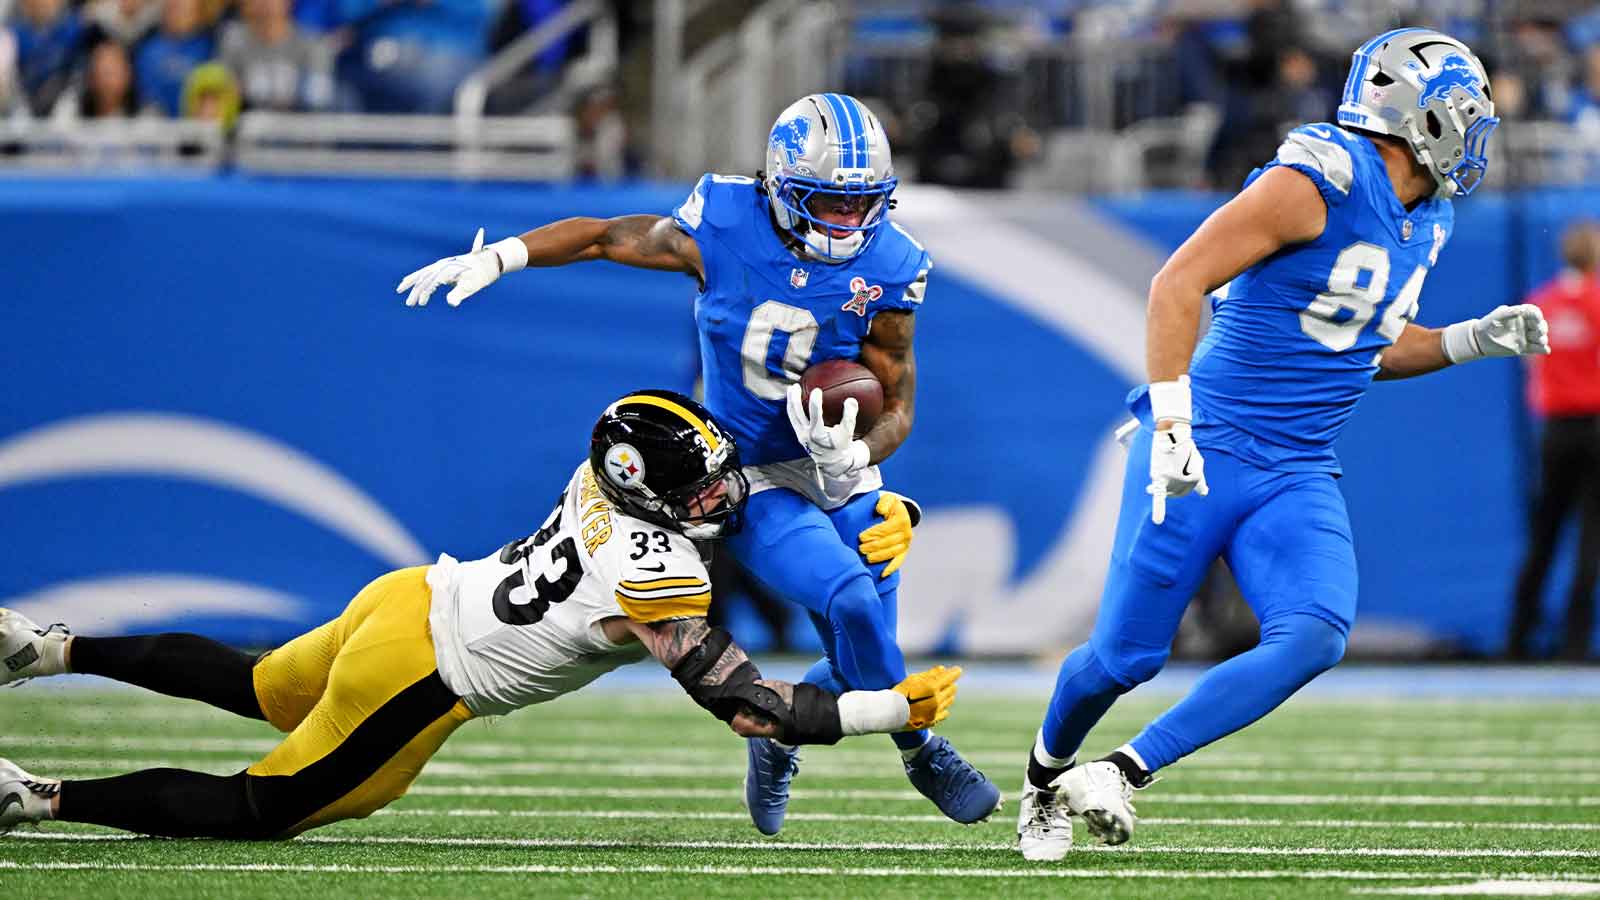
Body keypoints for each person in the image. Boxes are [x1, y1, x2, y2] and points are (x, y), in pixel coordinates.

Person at [393, 92, 1001, 834]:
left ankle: (776, 745)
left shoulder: (895, 262)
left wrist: (859, 454)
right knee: (847, 599)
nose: (847, 225)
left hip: (842, 470)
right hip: (753, 477)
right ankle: (922, 752)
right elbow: (606, 237)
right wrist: (504, 254)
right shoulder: (725, 221)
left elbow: (899, 401)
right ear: (780, 188)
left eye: (860, 206)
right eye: (828, 205)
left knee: (863, 652)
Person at [1015, 28, 1551, 861]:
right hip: (1206, 444)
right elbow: (1176, 282)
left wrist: (1468, 340)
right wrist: (1170, 421)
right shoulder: (1318, 182)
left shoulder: (1429, 215)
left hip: (1296, 466)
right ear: (1420, 117)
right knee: (1123, 659)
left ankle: (1120, 770)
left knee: (1314, 632)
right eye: (1463, 115)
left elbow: (1367, 341)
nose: (1476, 135)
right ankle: (1043, 778)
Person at [0, 390, 959, 838]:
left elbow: (724, 484)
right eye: (698, 491)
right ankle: (37, 799)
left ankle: (46, 649)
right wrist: (890, 710)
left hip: (412, 596)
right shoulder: (658, 575)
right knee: (265, 806)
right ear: (654, 498)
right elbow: (754, 708)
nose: (718, 498)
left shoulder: (606, 475)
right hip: (424, 676)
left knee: (262, 685)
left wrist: (878, 501)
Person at [1507, 221, 1600, 661]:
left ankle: (1519, 638)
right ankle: (1576, 644)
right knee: (1590, 537)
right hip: (1594, 424)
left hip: (1555, 430)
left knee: (1545, 533)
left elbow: (1530, 364)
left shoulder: (1541, 302)